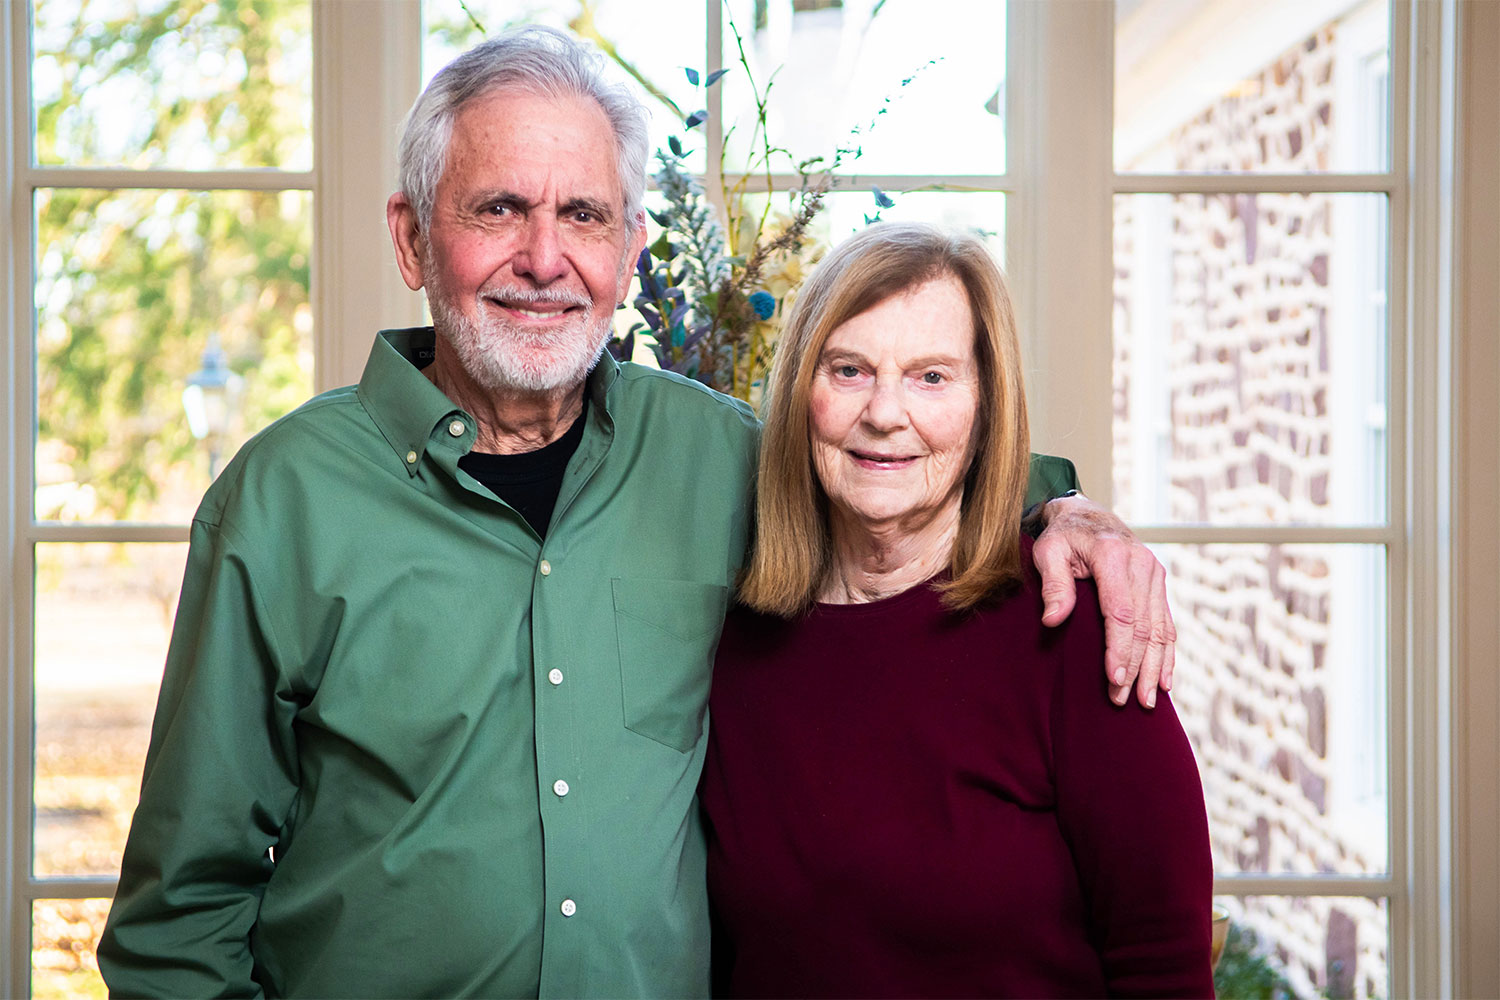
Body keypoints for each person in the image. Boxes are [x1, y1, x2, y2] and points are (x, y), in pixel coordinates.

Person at [98, 26, 1178, 999]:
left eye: (583, 215)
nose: (544, 258)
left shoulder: (713, 456)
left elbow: (893, 464)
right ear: (413, 237)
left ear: (631, 250)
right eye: (499, 209)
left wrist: (1067, 507)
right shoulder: (281, 500)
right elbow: (179, 920)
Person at [699, 222, 1213, 998]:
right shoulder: (735, 646)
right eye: (848, 370)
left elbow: (1163, 969)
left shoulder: (1072, 632)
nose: (883, 412)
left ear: (984, 412)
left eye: (931, 377)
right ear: (801, 393)